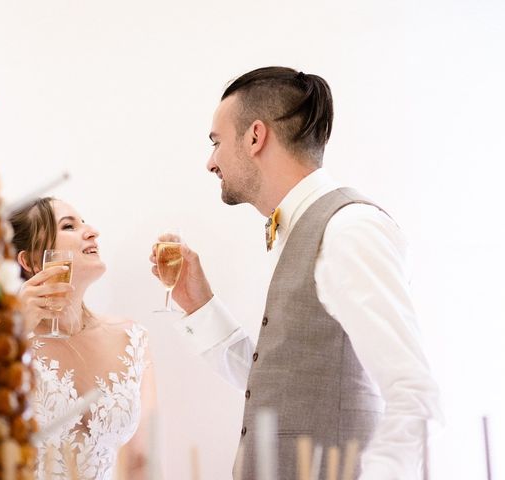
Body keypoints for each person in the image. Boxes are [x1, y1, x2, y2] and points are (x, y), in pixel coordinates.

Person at [150, 67, 442, 479]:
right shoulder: (299, 228)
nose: (210, 162)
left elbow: (414, 396)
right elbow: (283, 388)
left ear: (255, 136)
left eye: (216, 143)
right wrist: (198, 304)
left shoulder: (348, 230)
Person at [10, 197, 156, 480]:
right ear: (29, 260)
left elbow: (141, 461)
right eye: (68, 226)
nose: (91, 231)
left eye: (84, 222)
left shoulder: (131, 338)